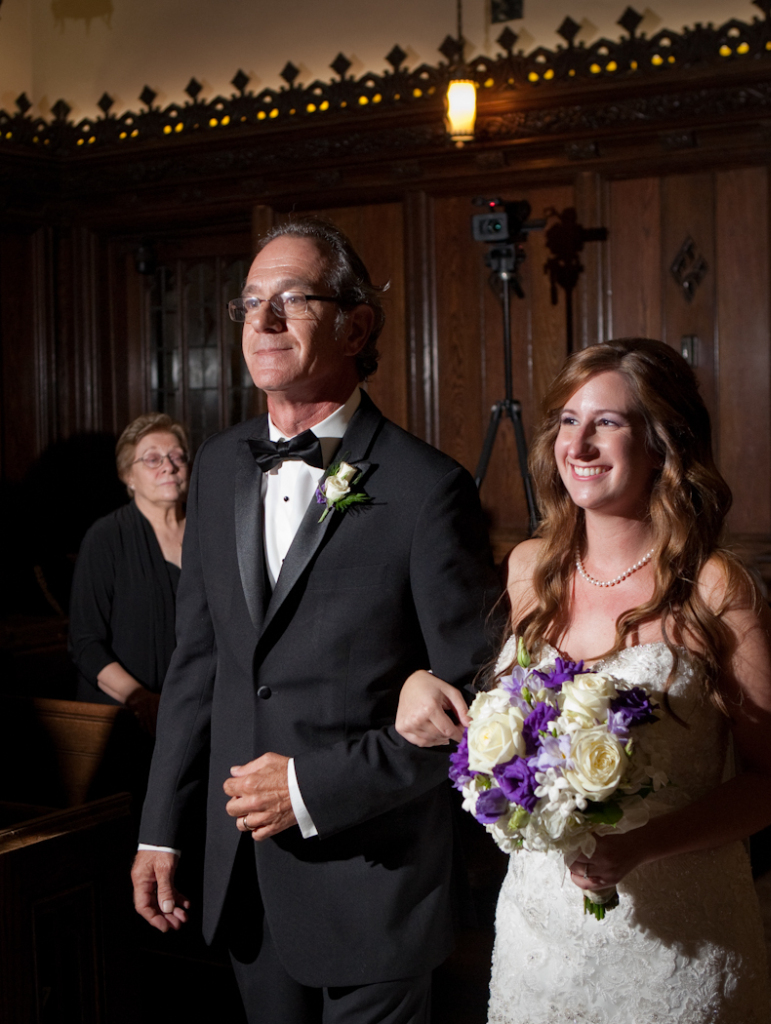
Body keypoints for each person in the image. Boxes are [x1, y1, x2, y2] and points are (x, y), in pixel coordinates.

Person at [130, 216, 499, 1024]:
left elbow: (476, 707)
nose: (261, 321)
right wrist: (160, 829)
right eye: (249, 302)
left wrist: (308, 787)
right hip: (242, 876)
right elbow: (197, 666)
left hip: (374, 879)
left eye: (291, 299)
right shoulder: (219, 464)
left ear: (355, 326)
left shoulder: (427, 488)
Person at [395, 338, 771, 1024]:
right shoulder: (529, 570)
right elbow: (487, 703)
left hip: (676, 940)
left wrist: (642, 844)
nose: (578, 444)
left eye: (607, 422)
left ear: (661, 445)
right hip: (537, 934)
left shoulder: (713, 589)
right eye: (568, 421)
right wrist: (418, 683)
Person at [69, 412, 189, 736]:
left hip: (196, 715)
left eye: (176, 456)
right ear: (128, 475)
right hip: (125, 720)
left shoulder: (208, 534)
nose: (168, 466)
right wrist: (139, 699)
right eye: (152, 459)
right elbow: (85, 643)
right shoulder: (106, 538)